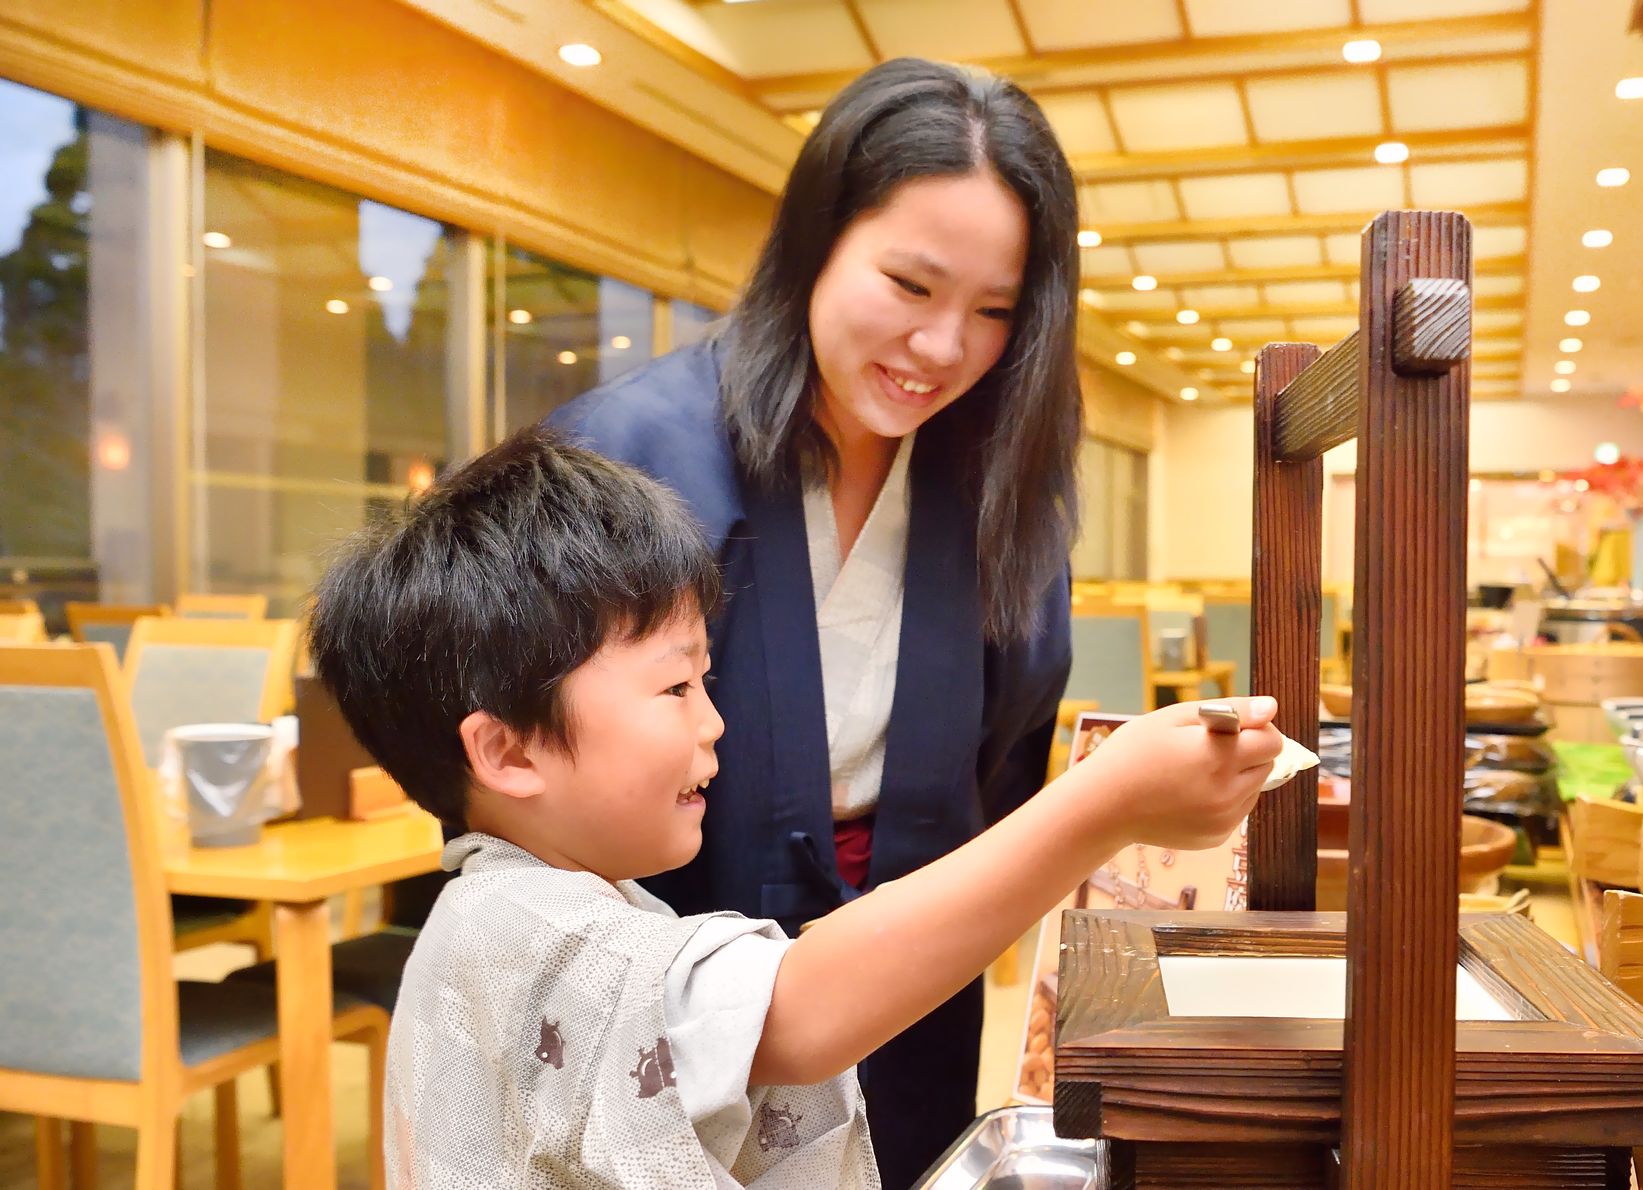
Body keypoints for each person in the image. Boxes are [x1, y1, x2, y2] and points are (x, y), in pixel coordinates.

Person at [307, 427, 1283, 1187]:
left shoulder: (532, 904)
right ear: (509, 748)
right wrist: (1101, 805)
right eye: (676, 688)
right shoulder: (531, 927)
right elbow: (802, 1007)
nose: (715, 723)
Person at [548, 57, 1083, 1183]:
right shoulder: (629, 453)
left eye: (994, 311)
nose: (942, 348)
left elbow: (1009, 751)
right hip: (669, 963)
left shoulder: (1000, 479)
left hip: (909, 962)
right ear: (817, 241)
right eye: (908, 283)